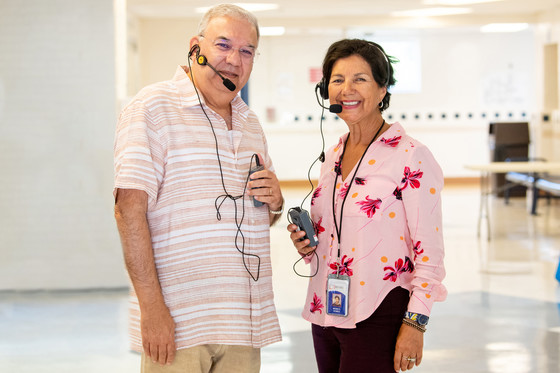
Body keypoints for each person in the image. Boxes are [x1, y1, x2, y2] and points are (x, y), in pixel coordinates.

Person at [113, 4, 283, 372]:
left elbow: (259, 215)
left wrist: (275, 204)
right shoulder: (151, 107)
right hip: (178, 323)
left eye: (246, 50)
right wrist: (152, 309)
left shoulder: (250, 122)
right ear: (196, 47)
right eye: (223, 45)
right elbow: (128, 211)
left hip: (242, 322)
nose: (234, 59)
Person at [287, 39, 447, 373]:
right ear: (325, 90)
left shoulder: (411, 155)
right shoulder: (333, 155)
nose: (347, 89)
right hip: (325, 307)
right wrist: (307, 245)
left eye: (360, 78)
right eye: (337, 79)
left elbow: (430, 255)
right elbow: (335, 233)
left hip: (379, 309)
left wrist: (415, 324)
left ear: (382, 88)